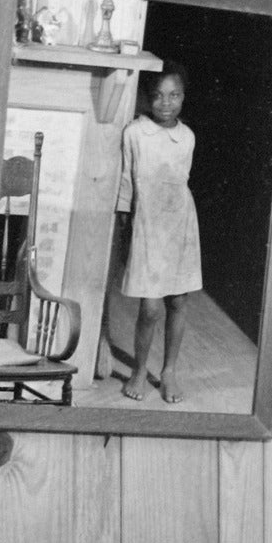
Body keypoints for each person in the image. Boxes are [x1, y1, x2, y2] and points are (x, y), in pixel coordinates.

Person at [115, 61, 202, 404]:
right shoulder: (135, 133)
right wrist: (125, 224)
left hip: (181, 226)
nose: (167, 103)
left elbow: (181, 185)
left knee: (178, 301)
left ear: (183, 98)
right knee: (150, 308)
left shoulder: (187, 137)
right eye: (159, 96)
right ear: (148, 98)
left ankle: (169, 371)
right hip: (147, 226)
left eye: (174, 95)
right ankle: (139, 369)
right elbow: (125, 182)